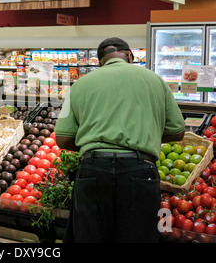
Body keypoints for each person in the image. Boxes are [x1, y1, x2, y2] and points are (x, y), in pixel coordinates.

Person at [54, 37, 185, 243]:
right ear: (130, 55)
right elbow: (177, 131)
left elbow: (62, 138)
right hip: (140, 170)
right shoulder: (154, 79)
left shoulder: (81, 84)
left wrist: (93, 143)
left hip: (92, 170)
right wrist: (148, 134)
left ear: (100, 62)